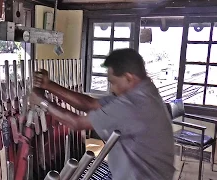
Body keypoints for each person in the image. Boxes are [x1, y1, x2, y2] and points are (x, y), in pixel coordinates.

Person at [29, 48, 175, 180]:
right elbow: (91, 105)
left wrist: (42, 102)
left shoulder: (134, 104)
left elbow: (77, 123)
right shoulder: (144, 92)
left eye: (112, 82)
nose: (111, 89)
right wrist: (48, 85)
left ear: (129, 78)